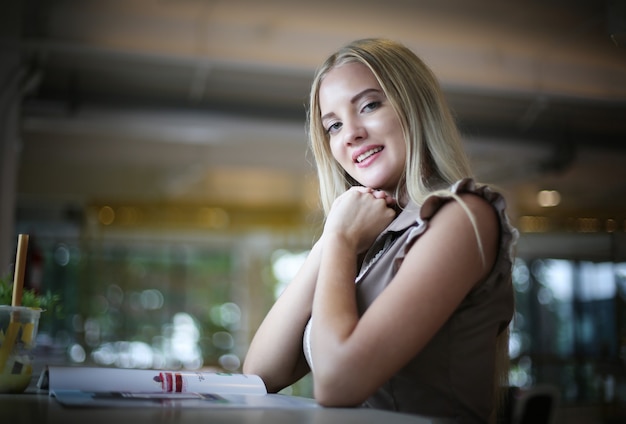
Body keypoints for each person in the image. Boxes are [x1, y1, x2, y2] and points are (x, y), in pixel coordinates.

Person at [243, 38, 518, 424]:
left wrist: (339, 240)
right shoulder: (364, 237)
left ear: (414, 106)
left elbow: (339, 385)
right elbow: (259, 376)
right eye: (334, 125)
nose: (350, 133)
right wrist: (333, 239)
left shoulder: (463, 217)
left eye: (369, 105)